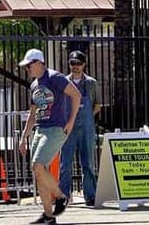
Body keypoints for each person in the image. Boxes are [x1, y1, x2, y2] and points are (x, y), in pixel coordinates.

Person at [17, 48, 80, 225]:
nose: (27, 70)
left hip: (56, 129)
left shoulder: (55, 77)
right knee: (39, 171)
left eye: (29, 66)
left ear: (38, 63)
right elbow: (32, 112)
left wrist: (71, 122)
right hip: (40, 129)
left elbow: (76, 95)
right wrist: (24, 137)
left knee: (38, 166)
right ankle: (48, 216)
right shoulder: (34, 85)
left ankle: (61, 197)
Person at [57, 50, 100, 207]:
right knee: (65, 163)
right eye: (73, 63)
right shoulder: (63, 82)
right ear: (69, 64)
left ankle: (90, 195)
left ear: (84, 65)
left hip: (86, 128)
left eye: (79, 64)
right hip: (68, 127)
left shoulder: (91, 83)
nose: (75, 67)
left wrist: (86, 117)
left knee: (88, 162)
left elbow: (97, 105)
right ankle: (63, 196)